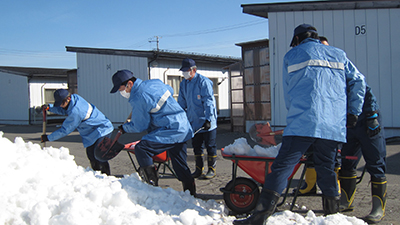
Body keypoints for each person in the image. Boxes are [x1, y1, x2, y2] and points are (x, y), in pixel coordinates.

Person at [234, 24, 366, 224]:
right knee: (327, 169)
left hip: (302, 122)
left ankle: (259, 218)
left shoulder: (292, 55)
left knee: (281, 168)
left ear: (297, 40)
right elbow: (358, 81)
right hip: (332, 125)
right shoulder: (338, 54)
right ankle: (332, 217)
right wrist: (353, 112)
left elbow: (289, 94)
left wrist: (296, 112)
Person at [109, 69, 196, 196]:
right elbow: (170, 90)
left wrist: (124, 128)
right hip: (182, 126)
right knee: (179, 164)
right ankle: (191, 195)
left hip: (170, 129)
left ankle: (151, 188)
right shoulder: (154, 83)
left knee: (142, 149)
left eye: (120, 88)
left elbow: (140, 126)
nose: (120, 92)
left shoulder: (138, 98)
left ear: (129, 84)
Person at [293, 36, 341, 196]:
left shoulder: (336, 67)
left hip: (331, 123)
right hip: (311, 122)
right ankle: (310, 185)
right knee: (311, 155)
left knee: (331, 159)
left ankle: (334, 192)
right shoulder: (313, 70)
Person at [339, 85, 387, 223]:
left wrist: (371, 114)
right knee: (347, 161)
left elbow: (363, 88)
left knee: (375, 161)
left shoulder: (345, 72)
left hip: (366, 119)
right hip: (349, 122)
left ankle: (378, 208)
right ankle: (346, 201)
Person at [41, 89, 114, 175]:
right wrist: (50, 107)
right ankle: (96, 176)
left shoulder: (76, 111)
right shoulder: (75, 98)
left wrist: (49, 137)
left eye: (61, 103)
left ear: (68, 99)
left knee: (99, 155)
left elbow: (65, 130)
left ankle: (106, 177)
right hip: (92, 131)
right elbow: (64, 109)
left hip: (103, 129)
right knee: (90, 154)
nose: (60, 105)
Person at [178, 58, 218, 179]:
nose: (184, 73)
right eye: (183, 71)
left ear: (193, 70)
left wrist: (208, 119)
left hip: (207, 122)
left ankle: (212, 169)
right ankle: (198, 169)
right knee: (196, 146)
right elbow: (181, 102)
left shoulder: (203, 82)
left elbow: (209, 101)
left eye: (186, 71)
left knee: (210, 146)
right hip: (193, 122)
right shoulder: (183, 84)